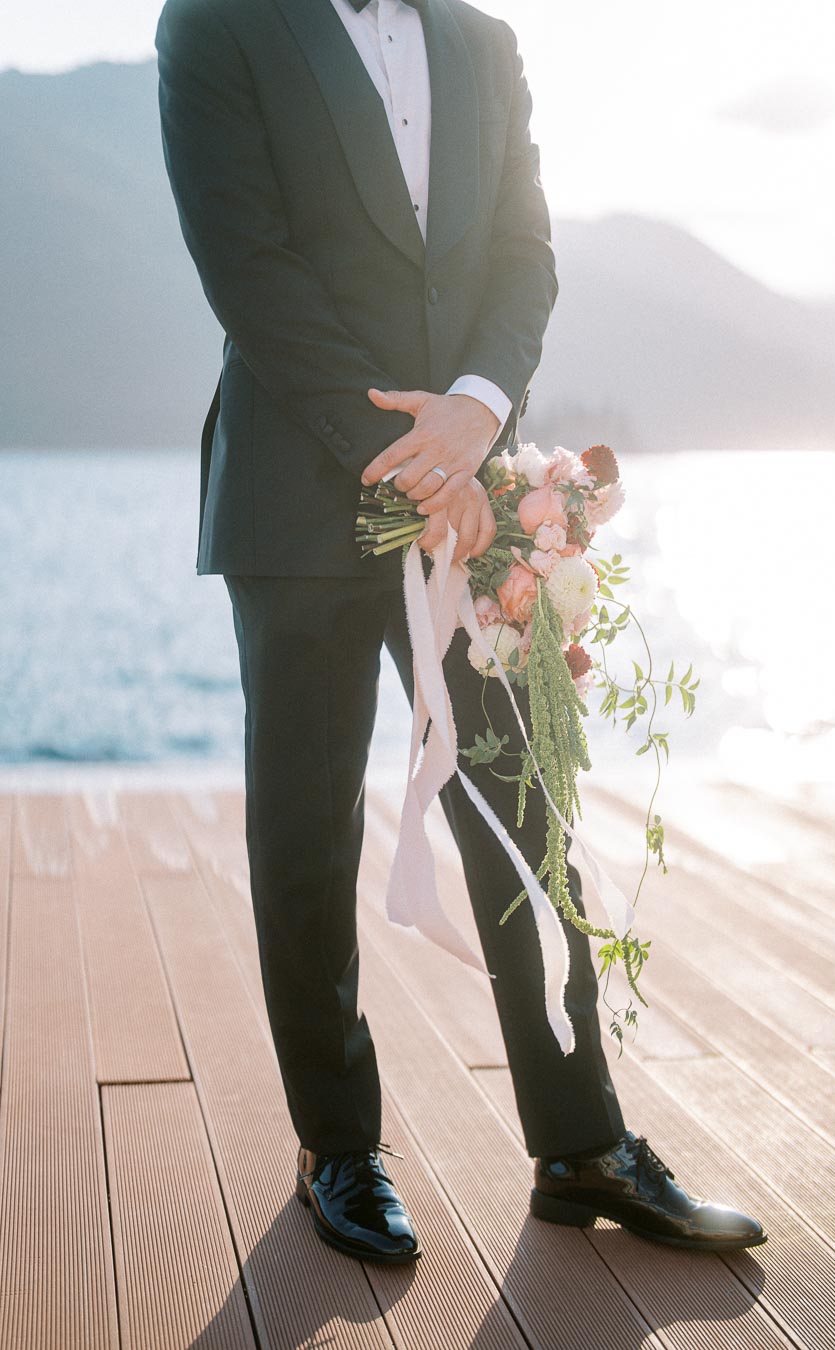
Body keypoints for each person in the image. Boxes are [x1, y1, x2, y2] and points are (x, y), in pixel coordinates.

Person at [155, 0, 766, 1265]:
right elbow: (249, 267)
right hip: (299, 497)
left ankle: (582, 1144)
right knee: (308, 835)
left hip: (476, 501)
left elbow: (522, 254)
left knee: (526, 817)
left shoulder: (487, 43)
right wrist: (417, 454)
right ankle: (339, 1145)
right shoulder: (213, 22)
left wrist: (479, 413)